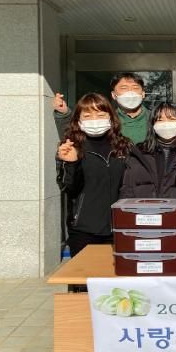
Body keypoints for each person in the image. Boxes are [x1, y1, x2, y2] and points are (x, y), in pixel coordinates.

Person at [56, 93, 132, 257]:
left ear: (111, 118)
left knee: (119, 273)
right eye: (87, 116)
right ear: (78, 120)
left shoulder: (124, 146)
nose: (94, 120)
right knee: (85, 273)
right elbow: (68, 188)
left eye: (101, 114)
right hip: (83, 230)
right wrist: (71, 163)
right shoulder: (71, 147)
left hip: (121, 226)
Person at [53, 72, 149, 144]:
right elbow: (73, 138)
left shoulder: (154, 119)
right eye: (124, 88)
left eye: (135, 88)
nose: (130, 92)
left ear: (143, 94)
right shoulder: (105, 119)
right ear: (113, 95)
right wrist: (63, 114)